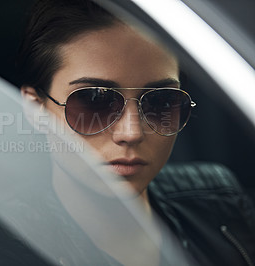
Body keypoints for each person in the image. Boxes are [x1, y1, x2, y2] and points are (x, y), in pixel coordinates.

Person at [17, 0, 255, 265]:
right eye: (95, 101)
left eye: (161, 101)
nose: (131, 133)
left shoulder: (218, 199)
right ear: (35, 107)